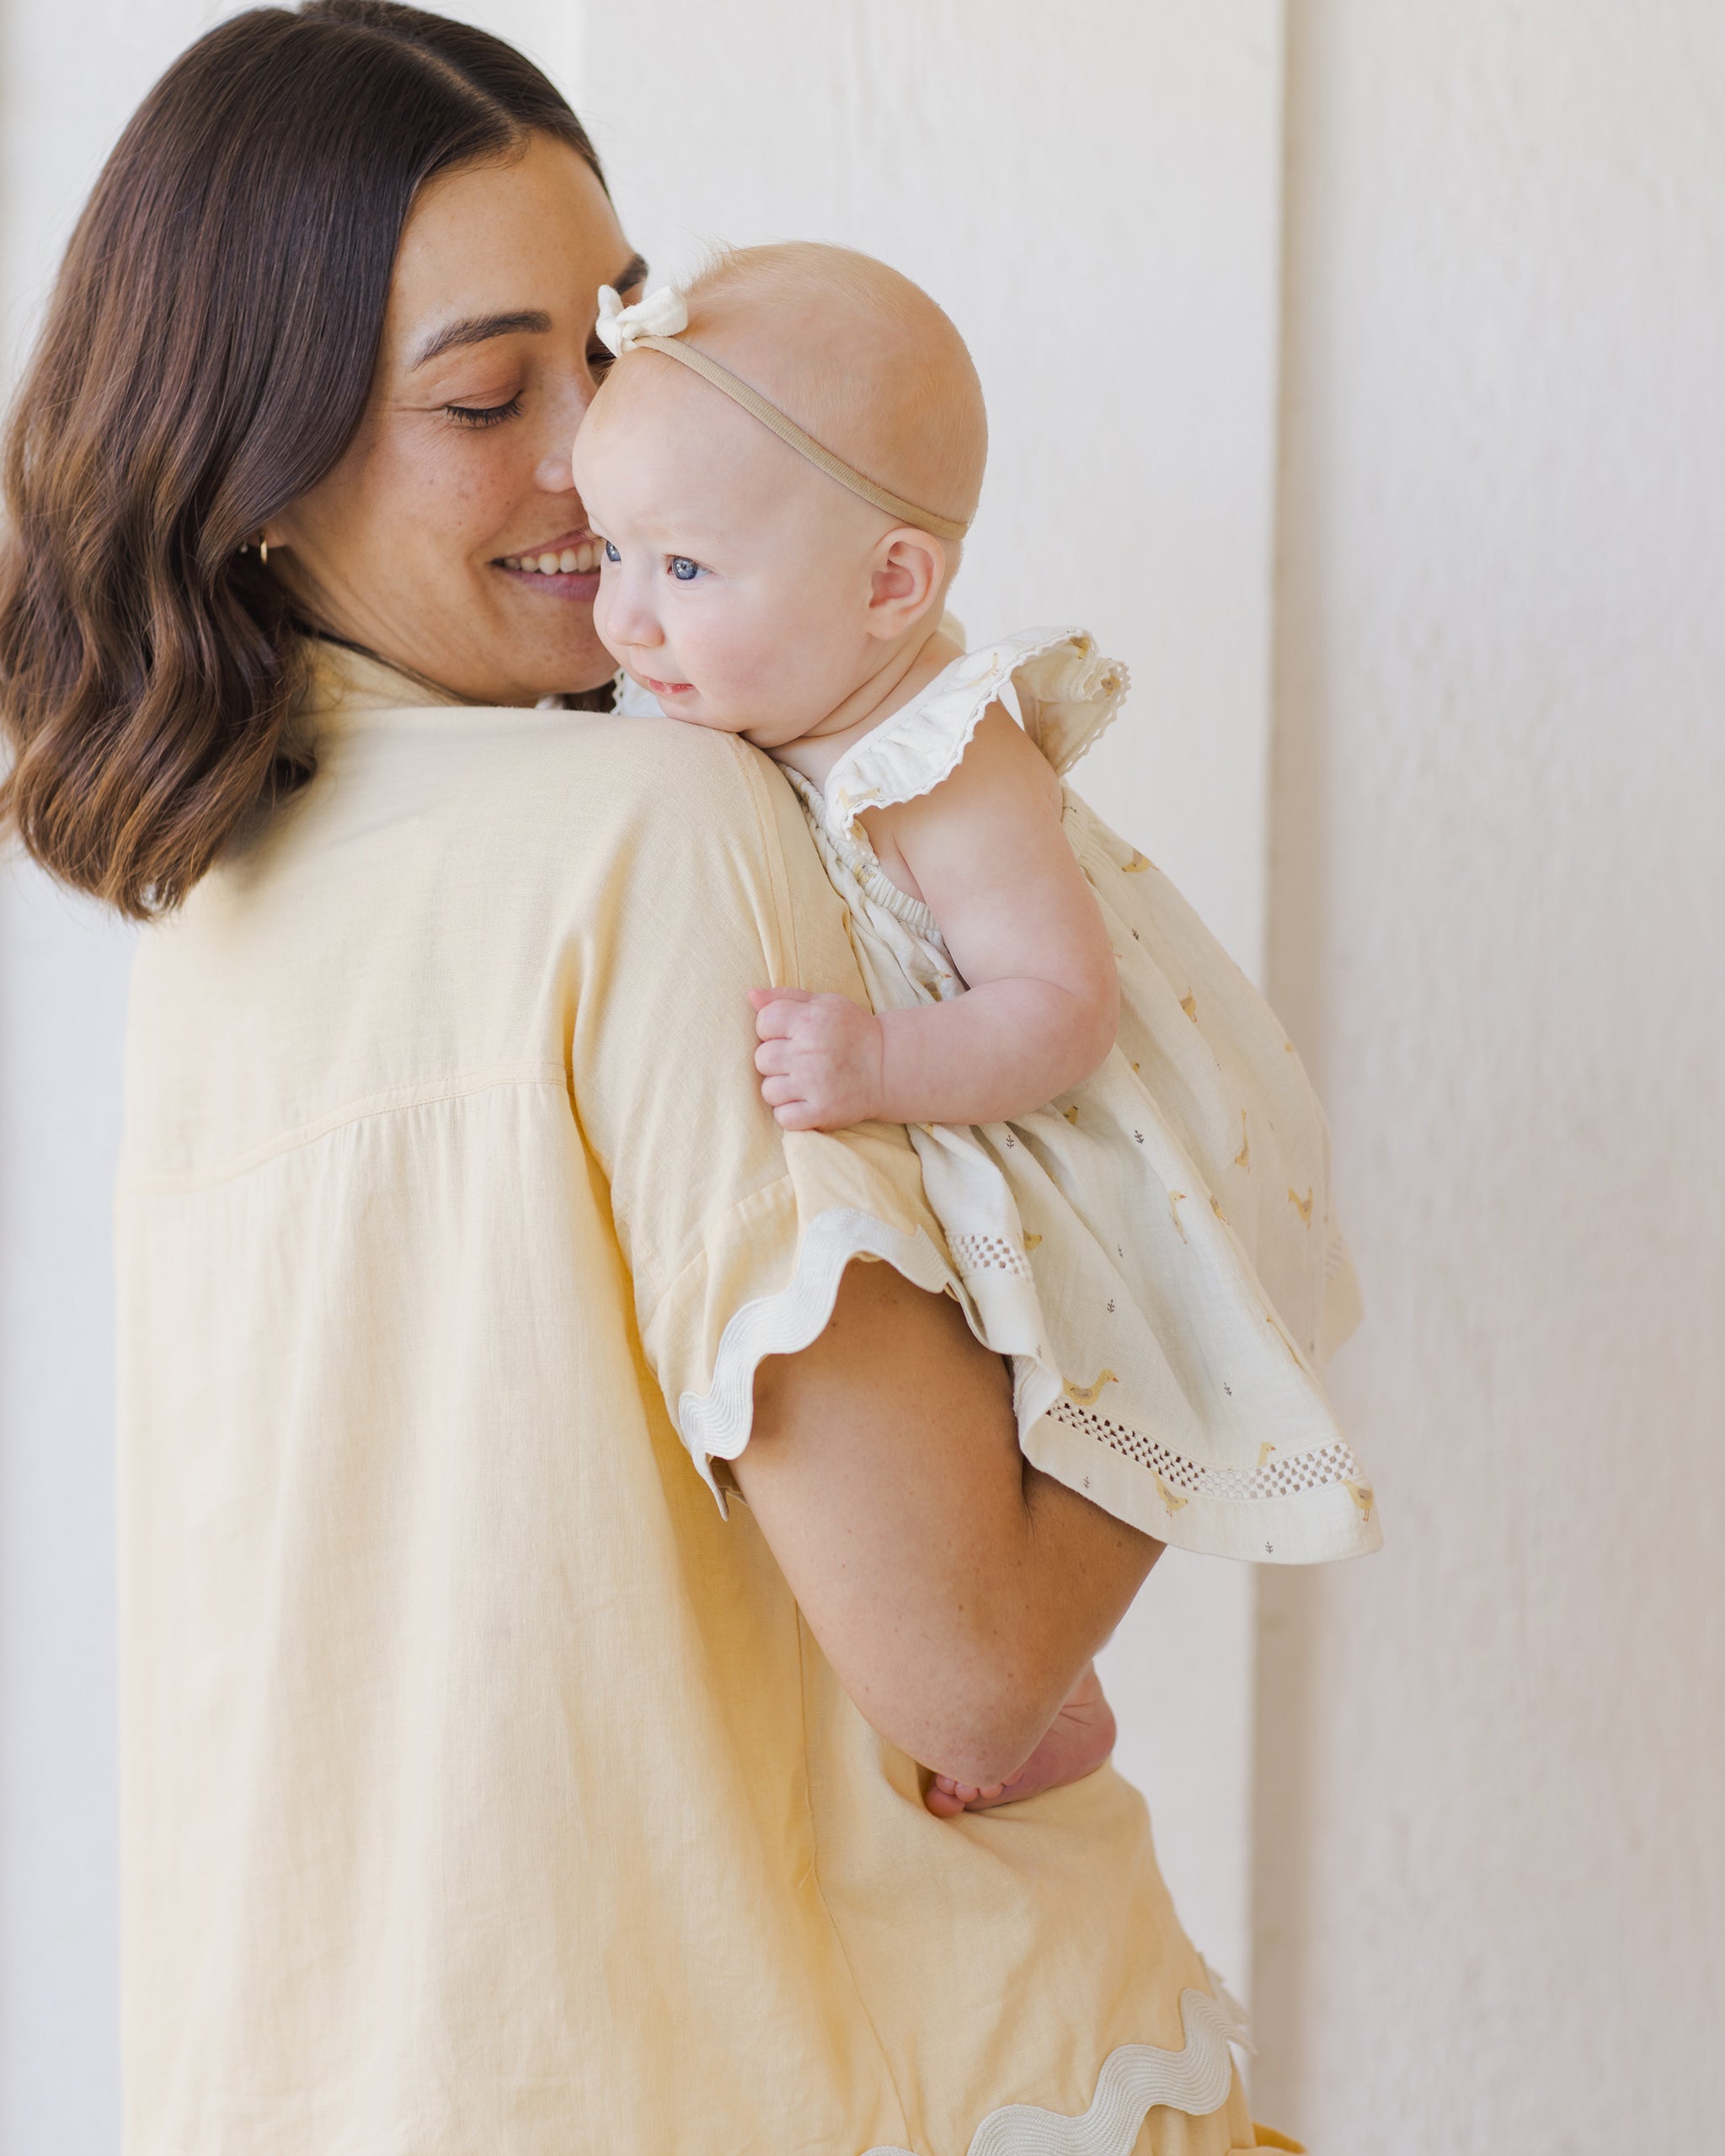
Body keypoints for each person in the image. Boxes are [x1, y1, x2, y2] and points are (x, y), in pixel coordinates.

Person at [0, 6, 1291, 2150]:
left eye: (619, 348)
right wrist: (1205, 1247)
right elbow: (971, 1661)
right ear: (251, 459)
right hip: (836, 2065)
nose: (598, 457)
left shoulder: (223, 922)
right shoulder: (663, 838)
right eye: (487, 396)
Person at [574, 243, 1378, 1812]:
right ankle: (1048, 1704)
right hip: (982, 1097)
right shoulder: (774, 705)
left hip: (1083, 1111)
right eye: (610, 554)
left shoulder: (942, 753)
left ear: (891, 586)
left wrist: (878, 1067)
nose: (621, 620)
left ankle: (1027, 1698)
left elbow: (1059, 1010)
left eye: (682, 572)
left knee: (1070, 1364)